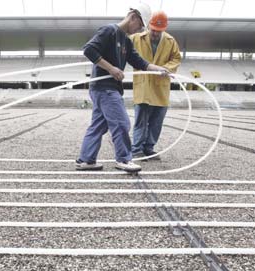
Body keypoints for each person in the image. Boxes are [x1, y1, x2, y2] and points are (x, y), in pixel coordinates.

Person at [76, 3, 169, 173]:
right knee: (121, 122)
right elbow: (89, 49)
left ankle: (86, 160)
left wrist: (159, 69)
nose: (140, 29)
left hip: (107, 88)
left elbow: (139, 62)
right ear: (133, 16)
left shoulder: (126, 40)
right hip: (104, 87)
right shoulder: (109, 31)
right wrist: (111, 68)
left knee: (98, 125)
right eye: (140, 25)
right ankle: (124, 159)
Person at [130, 10, 181, 160]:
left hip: (161, 87)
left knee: (157, 121)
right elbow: (123, 51)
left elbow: (176, 59)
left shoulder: (171, 41)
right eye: (153, 30)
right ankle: (136, 149)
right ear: (148, 26)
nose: (155, 33)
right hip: (144, 86)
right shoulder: (135, 38)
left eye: (159, 31)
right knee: (141, 120)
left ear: (164, 29)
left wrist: (166, 68)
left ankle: (149, 148)